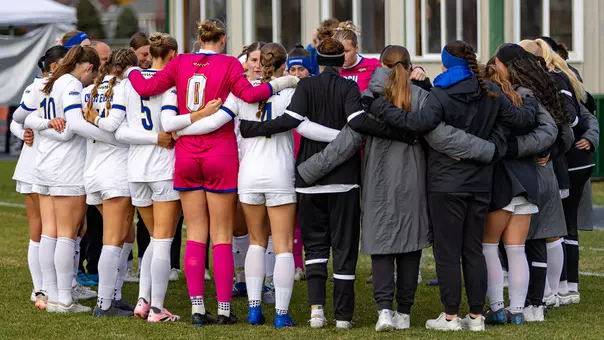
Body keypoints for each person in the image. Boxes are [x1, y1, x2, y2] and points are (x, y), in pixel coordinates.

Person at [296, 44, 496, 331]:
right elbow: (442, 138)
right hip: (415, 179)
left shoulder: (369, 97)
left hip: (377, 180)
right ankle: (404, 311)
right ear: (409, 64)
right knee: (410, 244)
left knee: (382, 246)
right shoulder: (423, 98)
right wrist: (487, 149)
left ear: (380, 65)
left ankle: (384, 311)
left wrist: (308, 169)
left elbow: (347, 141)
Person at [126, 18, 299, 326]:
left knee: (194, 235)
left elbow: (147, 87)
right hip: (220, 154)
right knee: (221, 235)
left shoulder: (180, 62)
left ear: (199, 38)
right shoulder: (231, 64)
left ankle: (195, 307)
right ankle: (221, 308)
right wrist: (281, 83)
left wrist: (129, 70)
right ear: (223, 39)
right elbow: (251, 95)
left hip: (187, 155)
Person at [369, 40, 539, 331]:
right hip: (481, 183)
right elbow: (522, 120)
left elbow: (416, 123)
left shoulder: (440, 94)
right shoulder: (491, 92)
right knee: (473, 249)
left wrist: (380, 107)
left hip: (445, 183)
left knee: (447, 252)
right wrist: (528, 101)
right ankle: (475, 318)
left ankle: (450, 317)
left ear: (445, 63)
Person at [236, 27, 363, 330]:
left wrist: (250, 128)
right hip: (333, 178)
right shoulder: (344, 89)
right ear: (342, 61)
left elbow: (294, 123)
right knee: (339, 249)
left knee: (284, 244)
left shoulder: (290, 90)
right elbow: (299, 123)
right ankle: (339, 317)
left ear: (316, 59)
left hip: (293, 178)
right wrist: (343, 140)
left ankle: (313, 310)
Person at [93, 33, 181, 322]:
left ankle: (143, 302)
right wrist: (158, 138)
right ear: (170, 54)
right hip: (163, 169)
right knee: (163, 241)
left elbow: (118, 130)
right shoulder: (171, 82)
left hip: (135, 170)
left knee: (155, 239)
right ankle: (157, 308)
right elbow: (169, 125)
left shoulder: (128, 83)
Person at [483, 45, 562, 325]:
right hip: (528, 180)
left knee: (489, 246)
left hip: (502, 180)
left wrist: (510, 147)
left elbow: (549, 130)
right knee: (517, 248)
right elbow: (549, 129)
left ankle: (497, 307)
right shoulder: (526, 97)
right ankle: (518, 310)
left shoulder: (495, 97)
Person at [23, 46, 102, 313]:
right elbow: (70, 129)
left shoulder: (51, 81)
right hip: (65, 167)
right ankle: (64, 299)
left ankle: (52, 295)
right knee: (67, 234)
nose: (91, 82)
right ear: (87, 67)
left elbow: (27, 117)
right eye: (94, 74)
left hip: (44, 164)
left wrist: (43, 127)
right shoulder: (69, 84)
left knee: (50, 234)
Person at [79, 49, 139, 317]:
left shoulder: (90, 89)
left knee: (126, 235)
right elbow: (114, 125)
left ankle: (114, 294)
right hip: (115, 171)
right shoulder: (125, 87)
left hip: (93, 170)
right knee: (113, 239)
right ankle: (104, 304)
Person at [11, 46, 71, 308]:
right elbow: (17, 119)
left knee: (59, 230)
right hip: (37, 163)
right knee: (42, 229)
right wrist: (23, 133)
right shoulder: (41, 85)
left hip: (50, 163)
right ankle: (41, 289)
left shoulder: (60, 84)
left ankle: (57, 287)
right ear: (55, 65)